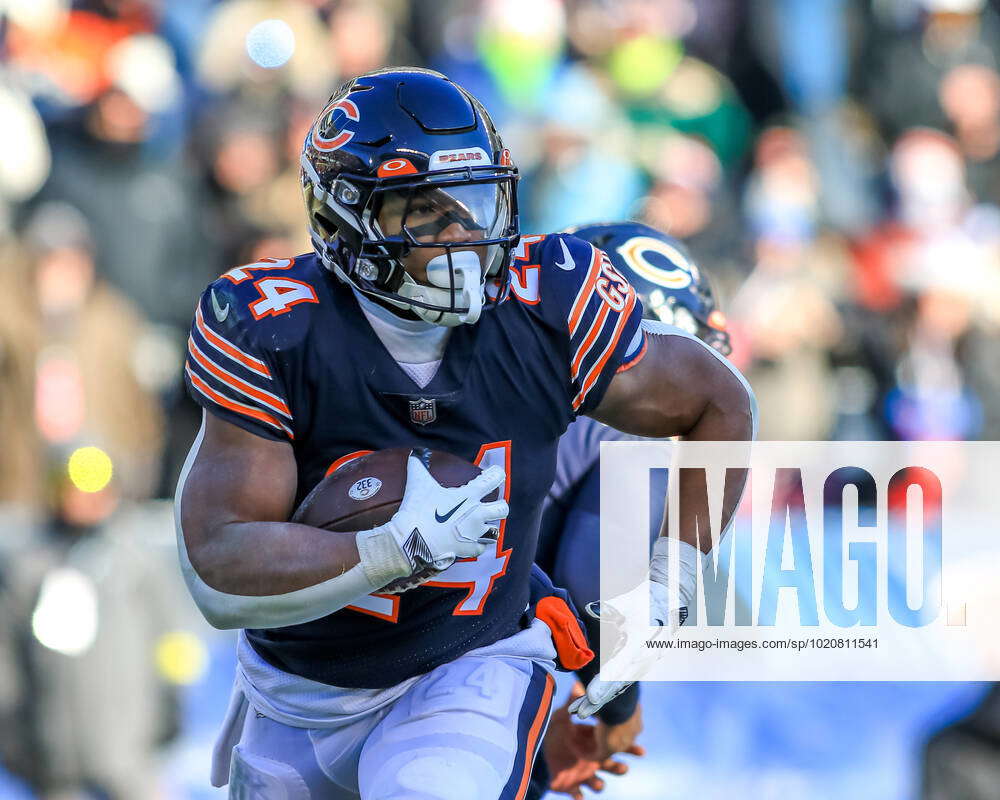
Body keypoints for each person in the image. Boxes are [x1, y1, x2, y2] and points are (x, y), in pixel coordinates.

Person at [174, 68, 754, 799]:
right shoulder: (275, 326)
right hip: (298, 689)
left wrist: (673, 578)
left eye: (474, 204)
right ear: (345, 217)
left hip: (470, 663)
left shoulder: (547, 303)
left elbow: (721, 404)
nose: (461, 237)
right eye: (423, 212)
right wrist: (383, 550)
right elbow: (220, 569)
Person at [530, 222, 733, 799]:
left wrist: (537, 724)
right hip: (440, 667)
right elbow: (596, 581)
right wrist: (618, 704)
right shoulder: (627, 414)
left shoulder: (503, 372)